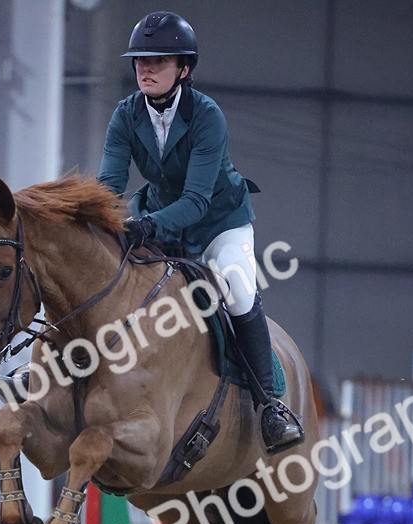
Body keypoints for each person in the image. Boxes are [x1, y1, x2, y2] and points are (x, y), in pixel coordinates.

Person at [98, 10, 304, 454]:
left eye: (158, 61)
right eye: (140, 61)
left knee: (238, 288)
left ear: (184, 69)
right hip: (158, 218)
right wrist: (93, 221)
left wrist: (147, 225)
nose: (145, 69)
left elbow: (196, 201)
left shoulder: (208, 116)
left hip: (217, 223)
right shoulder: (126, 114)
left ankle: (270, 406)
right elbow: (109, 185)